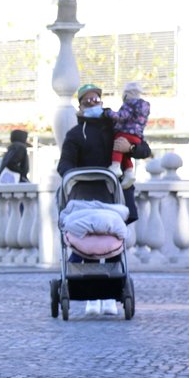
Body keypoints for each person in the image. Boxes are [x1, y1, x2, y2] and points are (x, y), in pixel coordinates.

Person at [57, 83, 151, 315]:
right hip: (86, 196)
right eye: (87, 100)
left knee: (113, 244)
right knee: (86, 245)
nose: (92, 103)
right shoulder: (75, 134)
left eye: (95, 99)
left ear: (102, 101)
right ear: (79, 107)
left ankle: (111, 294)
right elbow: (65, 164)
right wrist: (74, 176)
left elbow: (144, 149)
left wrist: (129, 146)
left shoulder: (117, 125)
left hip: (115, 194)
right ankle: (90, 294)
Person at [104, 81, 151, 187]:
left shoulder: (129, 104)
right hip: (137, 136)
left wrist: (108, 113)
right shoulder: (143, 107)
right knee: (124, 155)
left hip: (126, 133)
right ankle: (129, 172)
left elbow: (122, 116)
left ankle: (115, 166)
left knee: (118, 145)